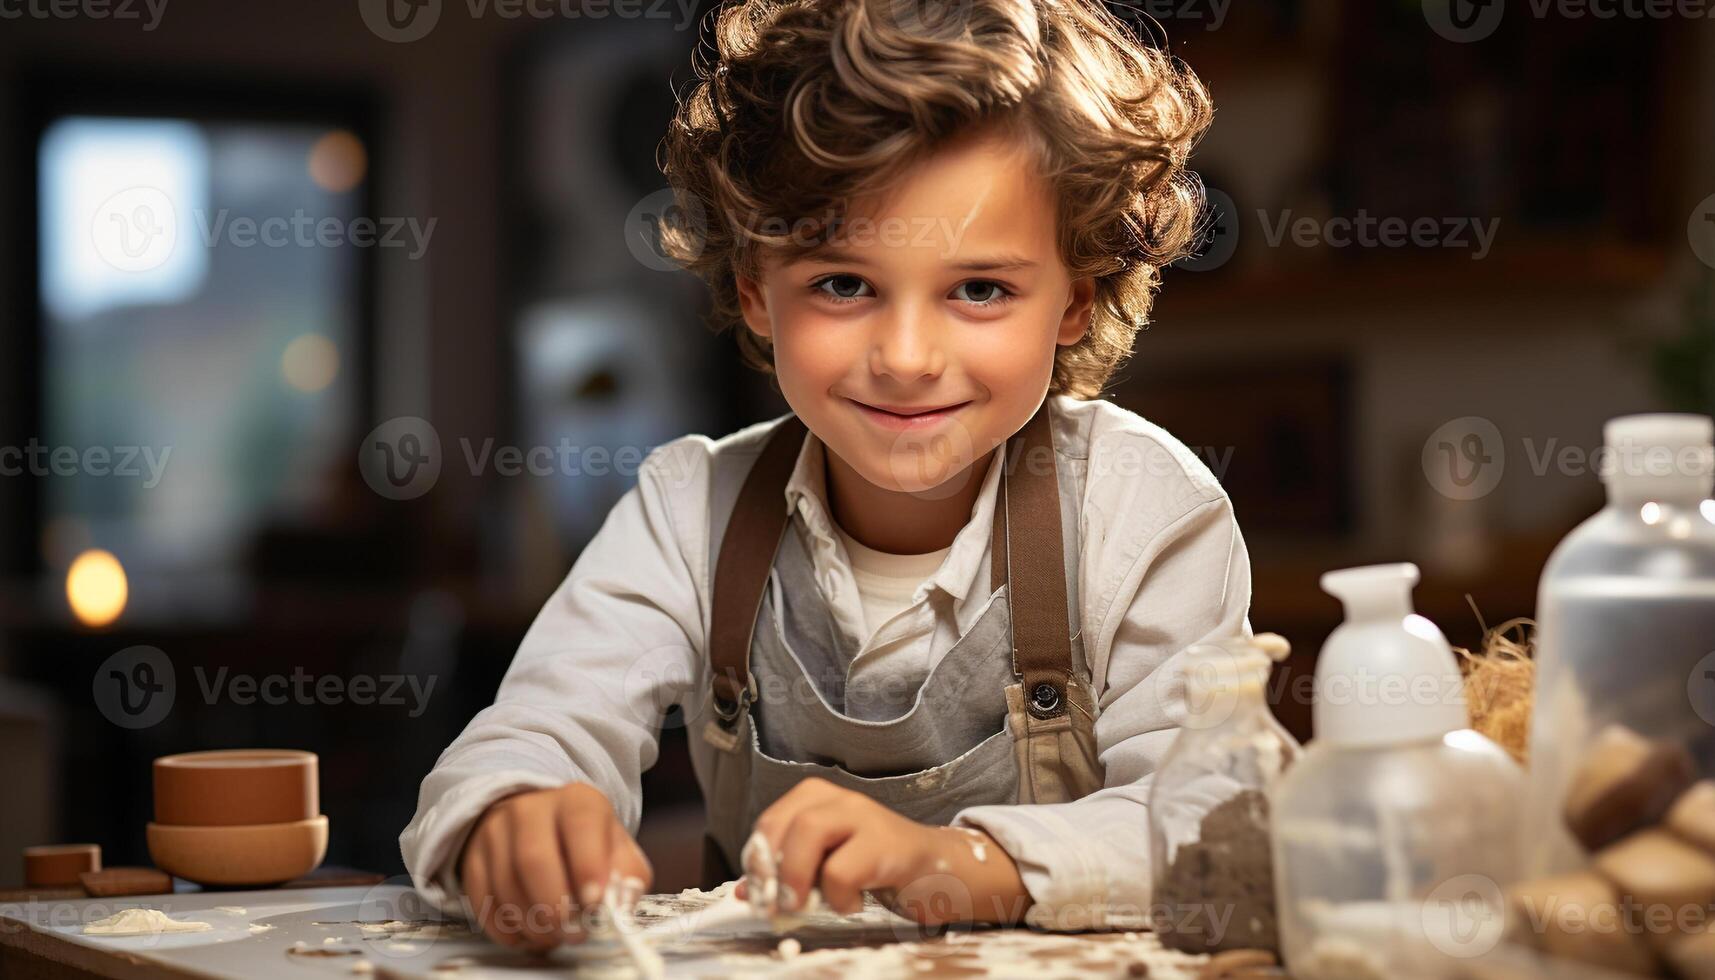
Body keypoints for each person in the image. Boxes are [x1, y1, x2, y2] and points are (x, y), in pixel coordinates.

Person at [401, 0, 1250, 949]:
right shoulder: (692, 512)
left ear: (1072, 302)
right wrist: (512, 811)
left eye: (980, 289)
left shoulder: (1145, 512)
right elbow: (532, 732)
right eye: (843, 284)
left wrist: (959, 864)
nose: (906, 356)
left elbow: (1207, 821)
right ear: (758, 292)